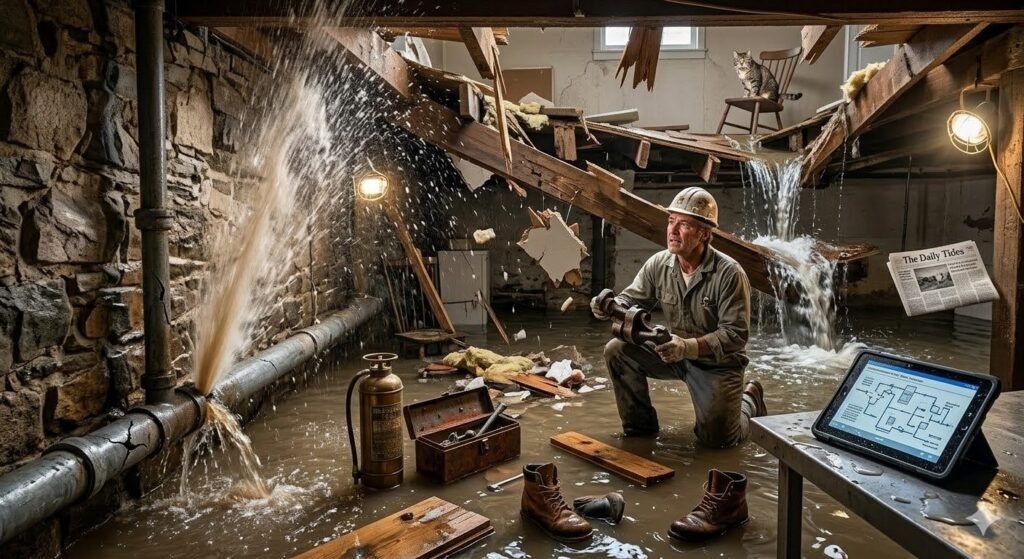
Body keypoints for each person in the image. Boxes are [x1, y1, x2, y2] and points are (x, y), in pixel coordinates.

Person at [592, 186, 767, 448]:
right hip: (671, 352)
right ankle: (640, 431)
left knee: (718, 443)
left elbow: (736, 336)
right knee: (617, 350)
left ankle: (750, 401)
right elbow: (630, 300)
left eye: (683, 224)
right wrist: (607, 305)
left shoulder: (730, 274)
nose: (672, 231)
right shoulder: (659, 264)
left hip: (716, 364)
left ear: (705, 234)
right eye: (671, 221)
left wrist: (687, 347)